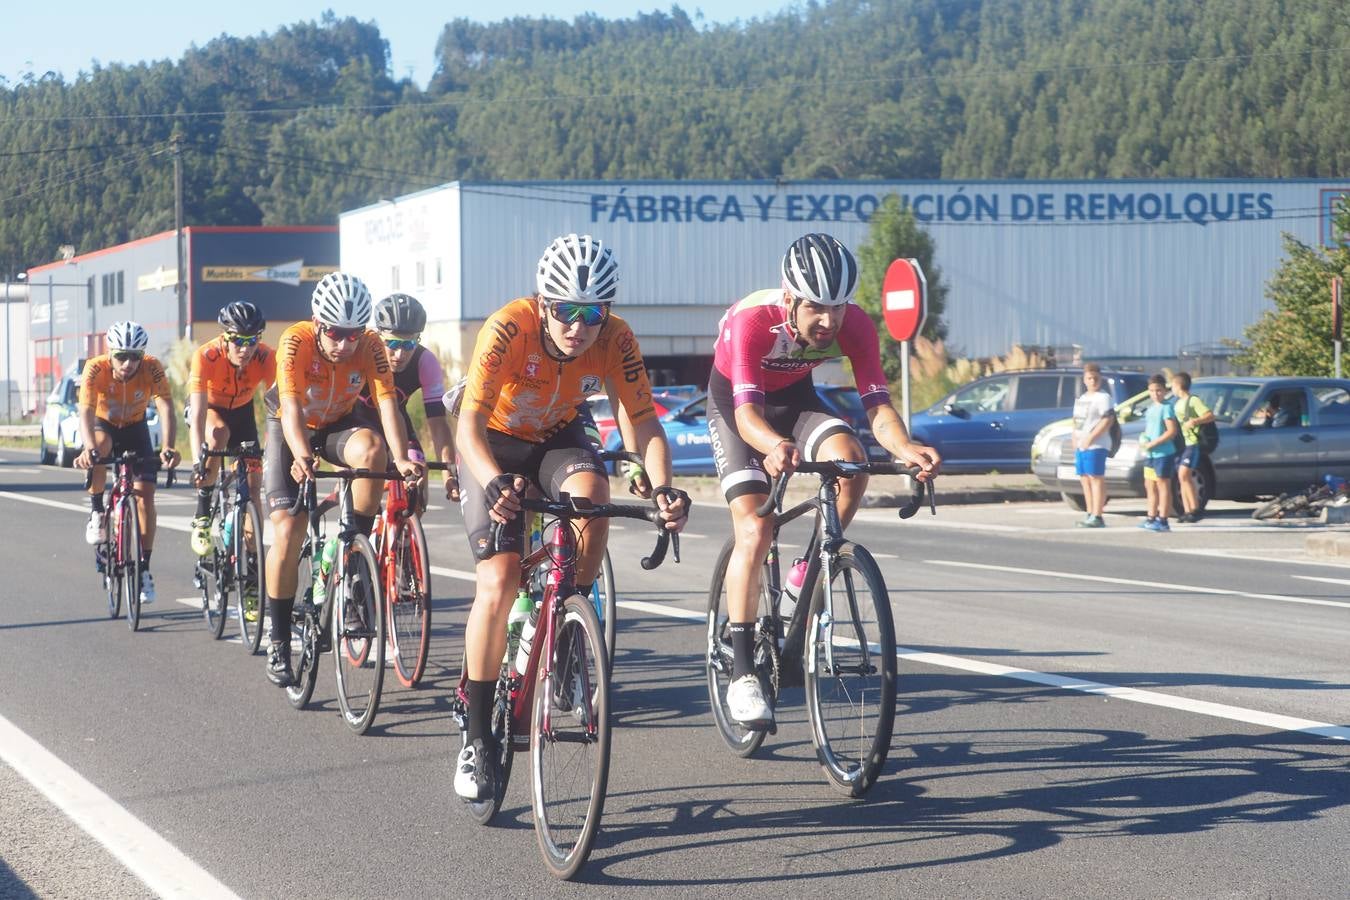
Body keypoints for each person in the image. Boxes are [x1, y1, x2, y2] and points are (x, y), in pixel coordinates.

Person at [452, 233, 690, 801]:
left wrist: (661, 487)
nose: (577, 327)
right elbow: (467, 426)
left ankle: (567, 622)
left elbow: (644, 422)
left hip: (558, 434)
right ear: (543, 303)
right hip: (494, 441)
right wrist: (493, 483)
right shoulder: (508, 327)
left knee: (592, 495)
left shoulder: (616, 339)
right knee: (500, 579)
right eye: (564, 311)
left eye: (592, 314)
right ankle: (478, 730)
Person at [706, 232, 940, 729]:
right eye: (817, 309)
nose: (828, 322)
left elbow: (878, 407)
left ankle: (805, 573)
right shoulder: (752, 323)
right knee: (755, 528)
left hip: (795, 401)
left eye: (838, 308)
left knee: (851, 461)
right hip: (737, 408)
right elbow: (747, 415)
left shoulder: (854, 326)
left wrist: (905, 448)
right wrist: (772, 446)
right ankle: (744, 671)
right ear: (789, 298)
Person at [261, 273, 424, 687]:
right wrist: (301, 456)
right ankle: (279, 638)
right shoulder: (295, 341)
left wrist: (402, 459)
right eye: (335, 334)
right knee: (288, 531)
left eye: (353, 334)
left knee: (373, 452)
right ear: (317, 323)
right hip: (290, 426)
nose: (345, 345)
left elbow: (388, 405)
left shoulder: (371, 346)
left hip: (337, 423)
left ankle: (354, 555)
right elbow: (292, 408)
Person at [74, 321, 181, 603]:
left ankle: (144, 568)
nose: (128, 363)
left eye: (135, 356)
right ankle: (97, 511)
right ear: (111, 353)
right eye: (121, 356)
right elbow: (84, 410)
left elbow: (166, 406)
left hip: (136, 429)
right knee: (99, 448)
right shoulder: (95, 368)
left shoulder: (152, 366)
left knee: (146, 497)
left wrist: (168, 446)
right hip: (104, 425)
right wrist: (87, 448)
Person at [187, 301, 276, 563]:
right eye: (238, 340)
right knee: (217, 434)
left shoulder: (266, 357)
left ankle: (252, 566)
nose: (246, 348)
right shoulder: (206, 356)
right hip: (209, 410)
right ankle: (202, 514)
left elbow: (277, 410)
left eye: (252, 340)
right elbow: (199, 414)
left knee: (253, 485)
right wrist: (196, 461)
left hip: (242, 413)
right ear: (225, 337)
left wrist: (272, 451)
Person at [359, 293, 453, 506]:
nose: (400, 354)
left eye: (409, 344)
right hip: (356, 424)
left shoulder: (425, 361)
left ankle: (405, 534)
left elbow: (438, 423)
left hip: (397, 424)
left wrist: (449, 474)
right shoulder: (361, 351)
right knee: (358, 487)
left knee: (418, 477)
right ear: (377, 335)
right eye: (392, 343)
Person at [1071, 362, 1114, 528]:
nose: (1093, 381)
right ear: (1084, 379)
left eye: (1096, 378)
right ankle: (1089, 512)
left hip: (1097, 444)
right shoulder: (1082, 399)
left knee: (1096, 478)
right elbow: (1076, 421)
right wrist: (1075, 437)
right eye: (1089, 378)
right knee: (1084, 478)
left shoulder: (1103, 398)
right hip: (1081, 444)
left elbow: (1107, 419)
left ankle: (1098, 514)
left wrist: (1091, 437)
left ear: (1100, 378)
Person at [1138, 374, 1179, 532]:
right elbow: (1149, 429)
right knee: (1150, 485)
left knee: (1163, 485)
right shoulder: (1151, 408)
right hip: (1150, 454)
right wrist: (1145, 440)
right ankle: (1151, 516)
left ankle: (1163, 519)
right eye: (1152, 391)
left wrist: (1154, 443)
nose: (1156, 394)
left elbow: (1172, 431)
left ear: (1164, 390)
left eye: (1159, 390)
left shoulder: (1167, 407)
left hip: (1163, 453)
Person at [1171, 371, 1214, 524]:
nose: (1172, 389)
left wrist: (1195, 421)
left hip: (1193, 443)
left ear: (1178, 385)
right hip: (1182, 444)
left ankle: (1196, 509)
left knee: (1184, 474)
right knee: (1182, 477)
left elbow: (1209, 415)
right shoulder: (1177, 403)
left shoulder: (1193, 400)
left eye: (1173, 386)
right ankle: (1187, 510)